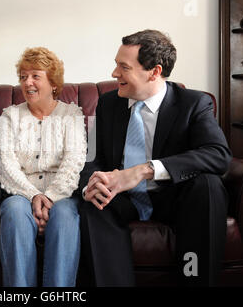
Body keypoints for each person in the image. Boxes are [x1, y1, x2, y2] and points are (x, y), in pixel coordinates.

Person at [78, 30, 231, 286]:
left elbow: (218, 155)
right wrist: (91, 184)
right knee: (93, 201)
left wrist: (143, 170)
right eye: (116, 64)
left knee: (208, 185)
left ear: (154, 72)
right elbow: (91, 158)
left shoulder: (193, 103)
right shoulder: (108, 104)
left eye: (123, 67)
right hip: (121, 198)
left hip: (172, 196)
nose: (114, 73)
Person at [0, 47, 87, 287]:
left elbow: (74, 162)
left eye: (35, 76)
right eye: (23, 77)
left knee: (65, 214)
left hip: (62, 194)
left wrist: (51, 197)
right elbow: (4, 164)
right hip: (21, 194)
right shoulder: (10, 116)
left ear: (53, 83)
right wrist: (34, 195)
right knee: (13, 210)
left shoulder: (71, 114)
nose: (27, 83)